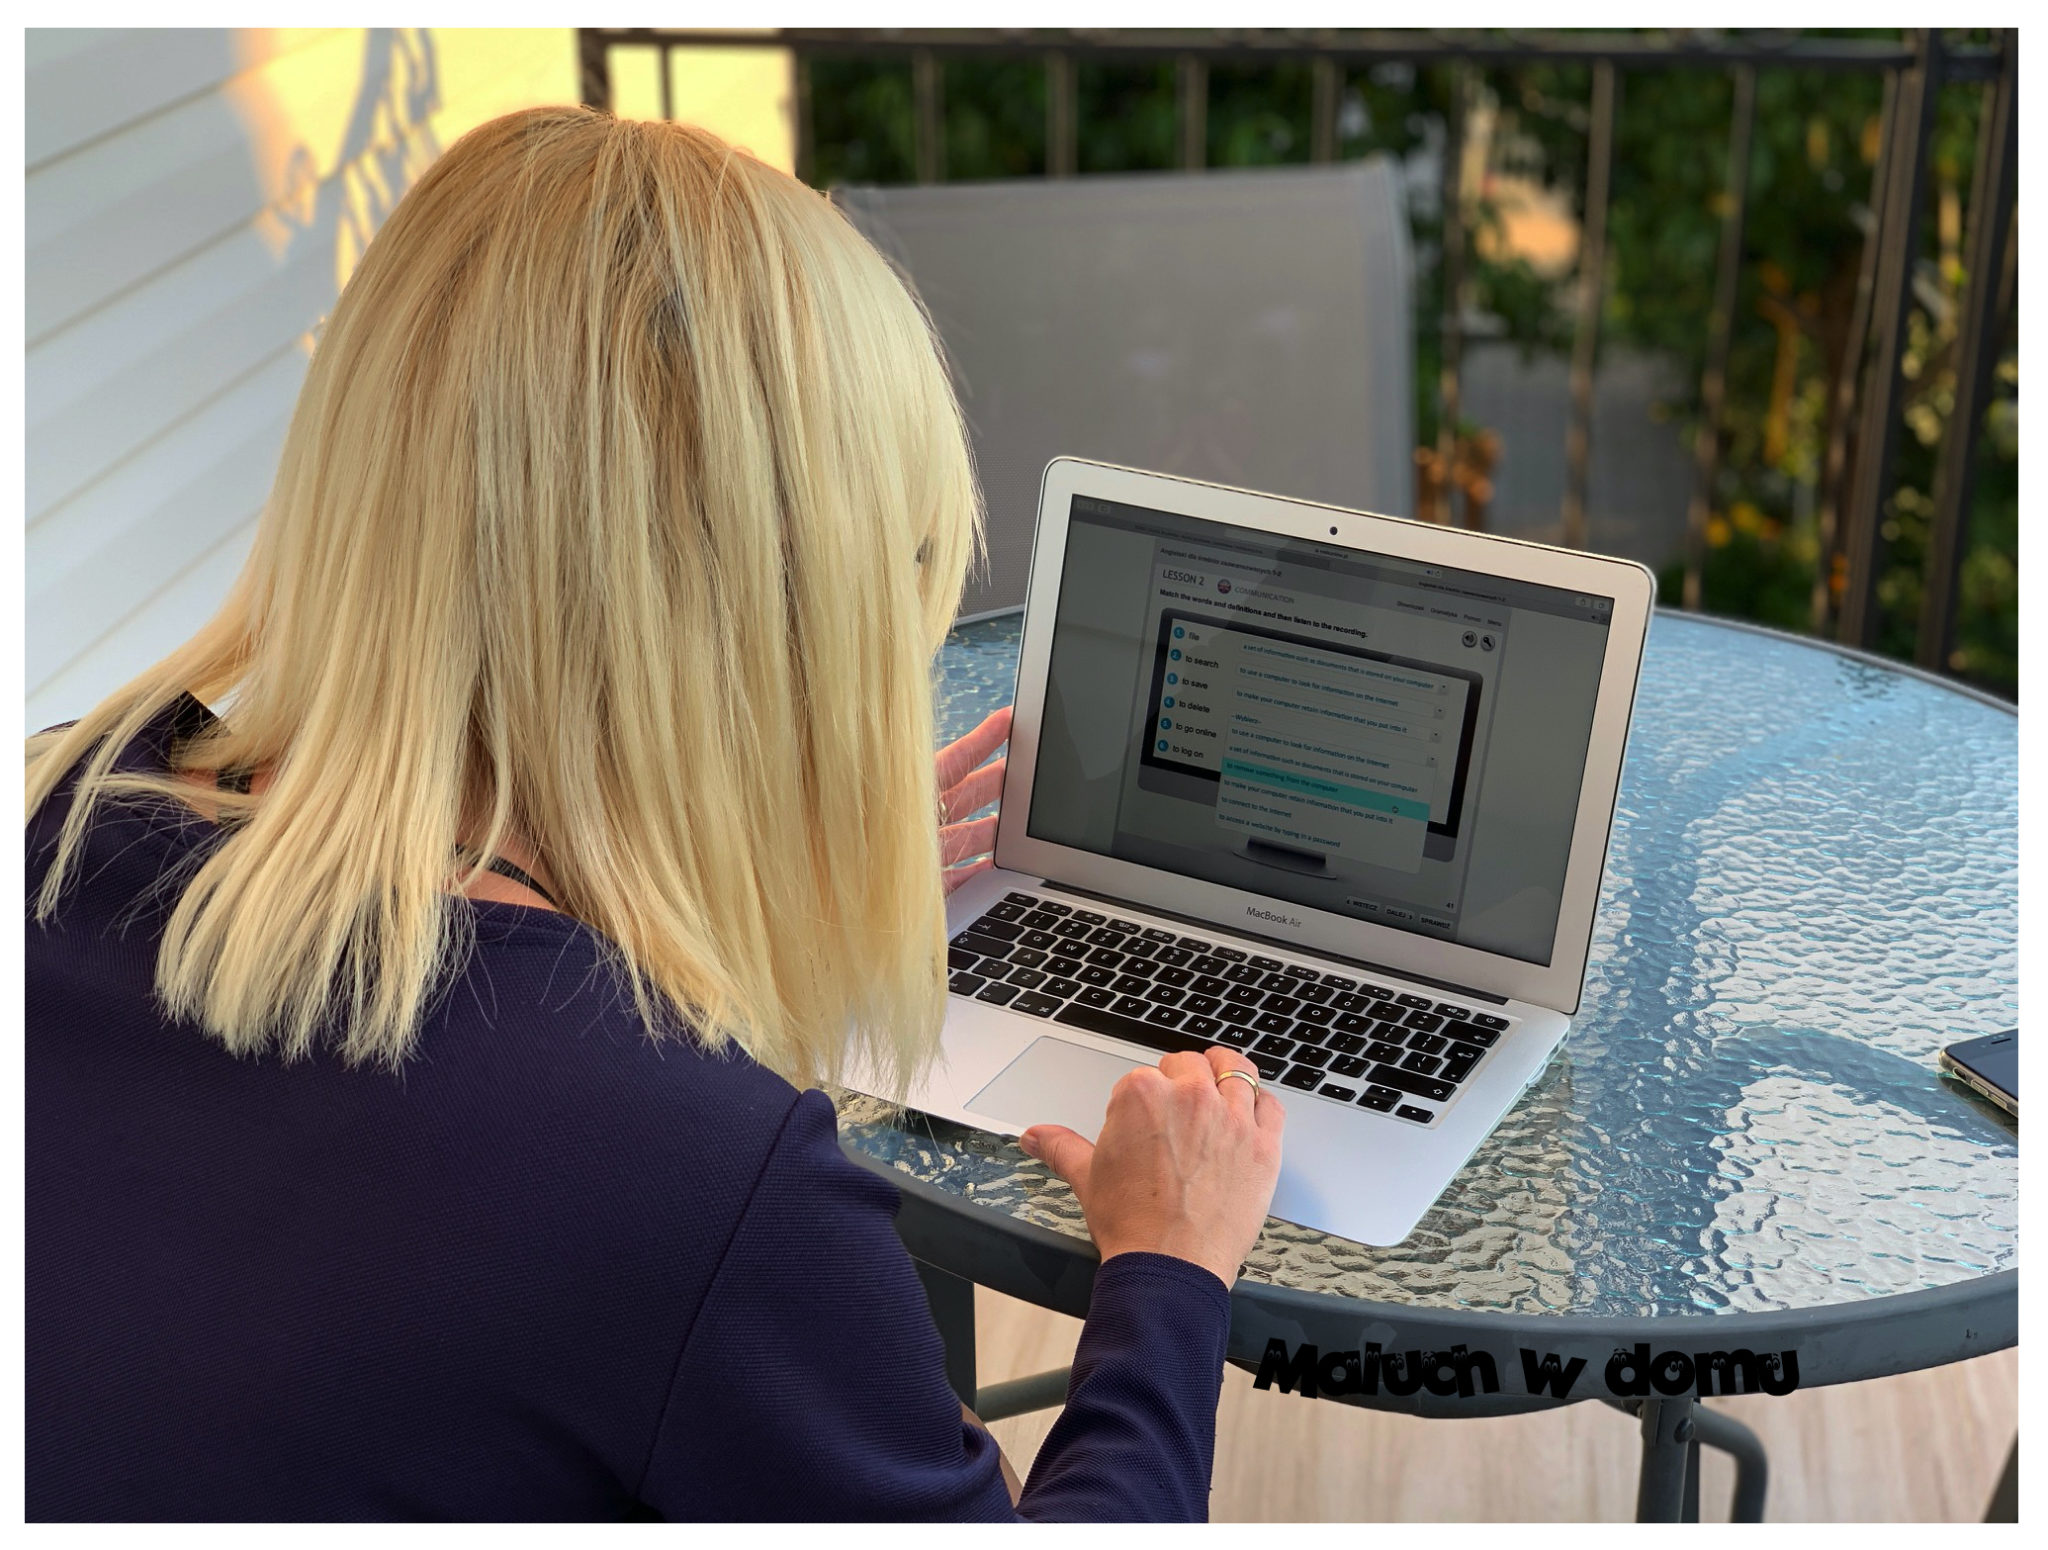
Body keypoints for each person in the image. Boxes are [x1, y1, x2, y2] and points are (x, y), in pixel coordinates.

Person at [25, 105, 1283, 1522]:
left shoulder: (64, 817)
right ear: (776, 614)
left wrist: (761, 876)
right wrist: (1169, 1274)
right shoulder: (701, 1185)